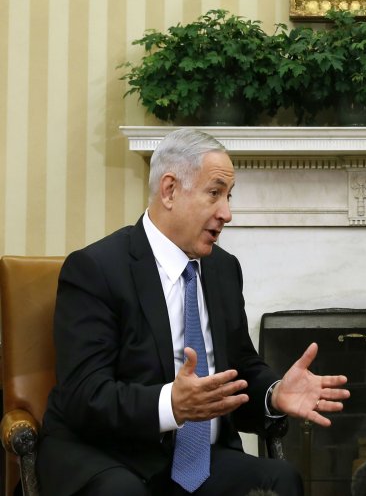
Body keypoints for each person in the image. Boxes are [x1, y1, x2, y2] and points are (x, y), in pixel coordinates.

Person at [36, 128, 350, 496]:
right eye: (214, 193)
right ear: (169, 190)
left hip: (193, 460)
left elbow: (241, 369)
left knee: (280, 480)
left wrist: (275, 393)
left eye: (228, 197)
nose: (227, 214)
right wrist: (171, 403)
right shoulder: (96, 269)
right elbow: (84, 395)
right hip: (109, 454)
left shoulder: (223, 269)